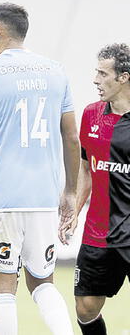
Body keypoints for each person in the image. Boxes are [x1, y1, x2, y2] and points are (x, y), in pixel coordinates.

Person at [0, 3, 80, 335]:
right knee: (43, 284)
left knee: (2, 292)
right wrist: (69, 190)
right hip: (43, 197)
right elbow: (71, 136)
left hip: (2, 198)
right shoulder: (55, 70)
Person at [70, 43, 130, 335]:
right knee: (85, 306)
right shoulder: (91, 114)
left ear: (123, 77)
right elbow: (87, 168)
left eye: (102, 73)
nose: (95, 80)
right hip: (97, 233)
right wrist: (74, 208)